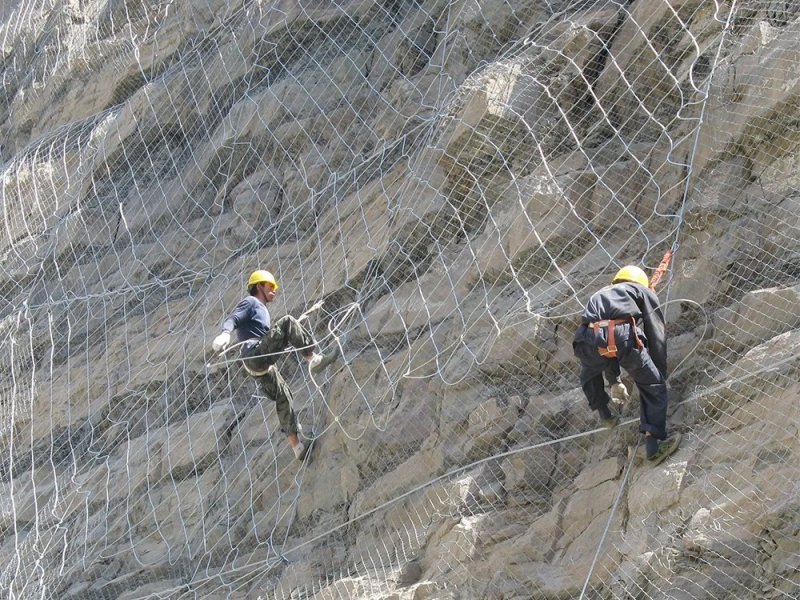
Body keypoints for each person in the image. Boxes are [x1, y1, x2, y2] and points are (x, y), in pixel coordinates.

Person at [211, 270, 337, 460]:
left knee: (284, 395)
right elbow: (233, 318)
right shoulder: (251, 302)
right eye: (271, 286)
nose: (274, 290)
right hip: (254, 353)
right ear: (259, 286)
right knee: (287, 322)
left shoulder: (262, 310)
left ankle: (297, 448)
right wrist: (225, 333)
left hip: (258, 365)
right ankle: (313, 360)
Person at [572, 265, 681, 466]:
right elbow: (655, 330)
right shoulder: (641, 290)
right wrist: (658, 371)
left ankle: (605, 415)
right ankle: (654, 445)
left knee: (589, 372)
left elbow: (603, 338)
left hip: (586, 338)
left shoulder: (600, 293)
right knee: (653, 386)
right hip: (620, 335)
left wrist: (614, 380)